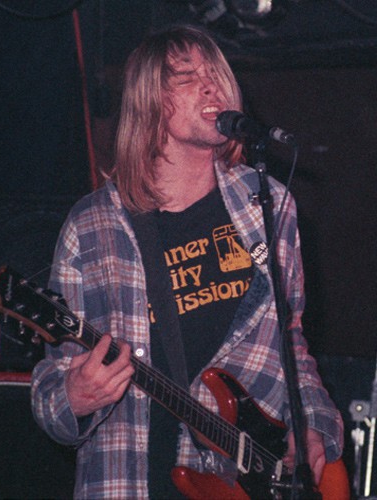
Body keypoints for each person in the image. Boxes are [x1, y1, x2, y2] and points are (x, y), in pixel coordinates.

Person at [31, 24, 344, 499]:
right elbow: (52, 390)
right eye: (185, 76)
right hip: (134, 481)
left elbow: (292, 342)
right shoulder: (93, 227)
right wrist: (74, 398)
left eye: (215, 74)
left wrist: (315, 424)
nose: (210, 85)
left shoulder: (268, 205)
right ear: (148, 103)